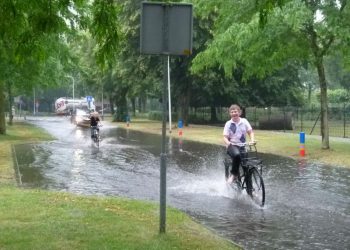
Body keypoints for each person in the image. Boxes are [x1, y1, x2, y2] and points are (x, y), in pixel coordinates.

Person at [223, 104, 255, 184]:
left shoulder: (244, 121)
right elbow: (225, 137)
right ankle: (234, 175)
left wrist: (252, 140)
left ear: (239, 112)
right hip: (232, 146)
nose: (234, 113)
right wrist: (228, 143)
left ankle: (250, 191)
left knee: (246, 169)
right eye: (232, 112)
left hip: (242, 145)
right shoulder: (228, 124)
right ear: (230, 114)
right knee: (237, 155)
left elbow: (250, 132)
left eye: (236, 111)